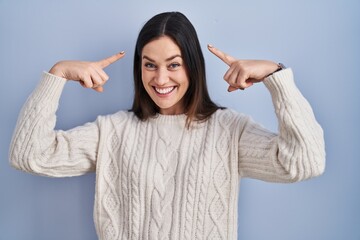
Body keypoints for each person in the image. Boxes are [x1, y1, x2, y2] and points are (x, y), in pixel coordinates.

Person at [9, 11, 325, 240]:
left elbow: (305, 163)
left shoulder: (229, 130)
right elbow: (29, 155)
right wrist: (57, 75)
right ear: (139, 68)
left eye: (174, 64)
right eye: (150, 65)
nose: (160, 79)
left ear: (193, 65)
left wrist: (276, 76)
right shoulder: (112, 131)